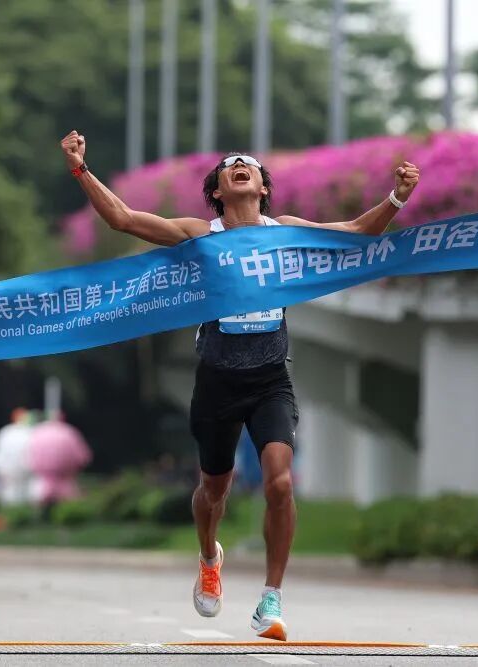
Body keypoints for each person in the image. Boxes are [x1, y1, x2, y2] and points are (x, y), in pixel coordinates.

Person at [61, 130, 419, 640]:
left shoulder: (285, 232)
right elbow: (123, 218)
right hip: (217, 382)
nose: (239, 164)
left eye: (247, 162)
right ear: (218, 191)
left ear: (262, 187)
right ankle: (209, 557)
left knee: (280, 482)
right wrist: (80, 169)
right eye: (229, 165)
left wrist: (398, 197)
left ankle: (271, 598)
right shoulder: (201, 235)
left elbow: (357, 231)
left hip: (271, 380)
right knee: (214, 490)